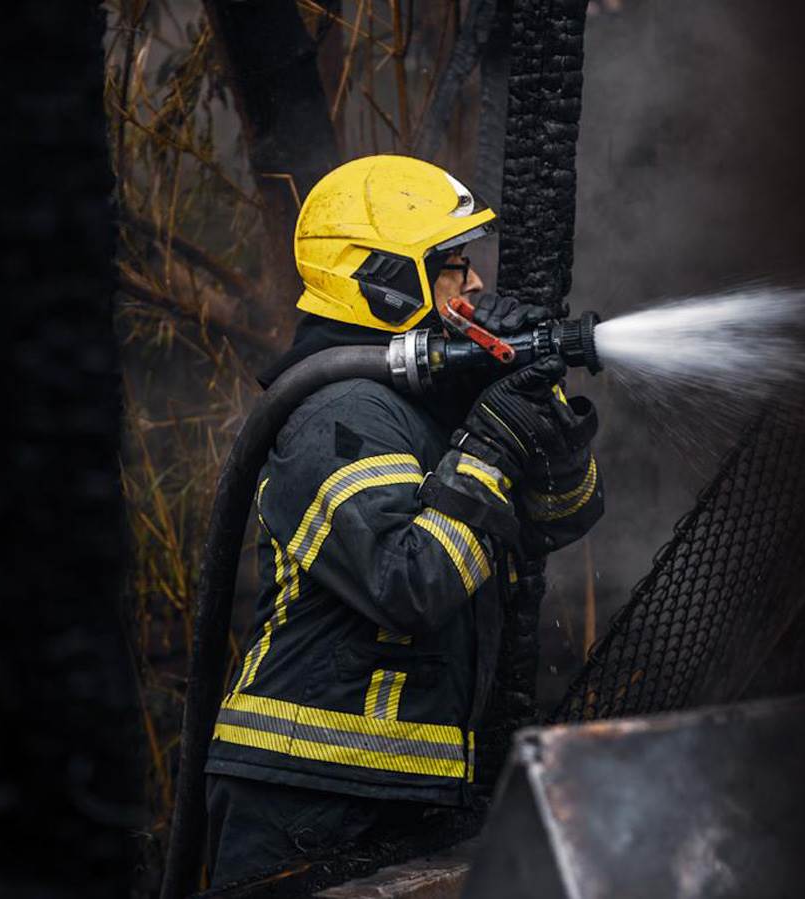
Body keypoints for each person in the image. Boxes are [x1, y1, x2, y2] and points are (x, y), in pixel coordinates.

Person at [203, 155, 603, 886]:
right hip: (306, 797)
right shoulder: (340, 414)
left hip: (386, 793)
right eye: (453, 265)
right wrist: (492, 435)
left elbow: (561, 516)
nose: (476, 284)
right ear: (387, 282)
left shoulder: (425, 410)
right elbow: (410, 581)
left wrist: (534, 399)